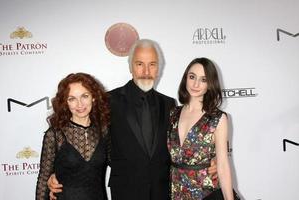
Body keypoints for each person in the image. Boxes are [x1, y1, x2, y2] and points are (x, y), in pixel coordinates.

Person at [47, 39, 217, 200]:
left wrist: (212, 161)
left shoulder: (169, 104)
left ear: (159, 68)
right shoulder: (108, 100)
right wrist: (58, 174)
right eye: (139, 64)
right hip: (125, 190)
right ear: (130, 66)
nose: (146, 72)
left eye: (152, 64)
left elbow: (185, 143)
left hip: (163, 190)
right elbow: (84, 135)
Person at [167, 57, 234, 200]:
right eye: (192, 77)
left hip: (204, 192)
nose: (196, 84)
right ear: (186, 78)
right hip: (175, 191)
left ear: (210, 84)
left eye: (203, 80)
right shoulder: (173, 114)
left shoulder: (217, 118)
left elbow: (222, 165)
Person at [36, 73, 110, 200]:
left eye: (84, 96)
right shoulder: (55, 134)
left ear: (94, 97)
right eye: (72, 99)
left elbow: (120, 164)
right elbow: (43, 179)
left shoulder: (104, 131)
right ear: (65, 103)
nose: (79, 104)